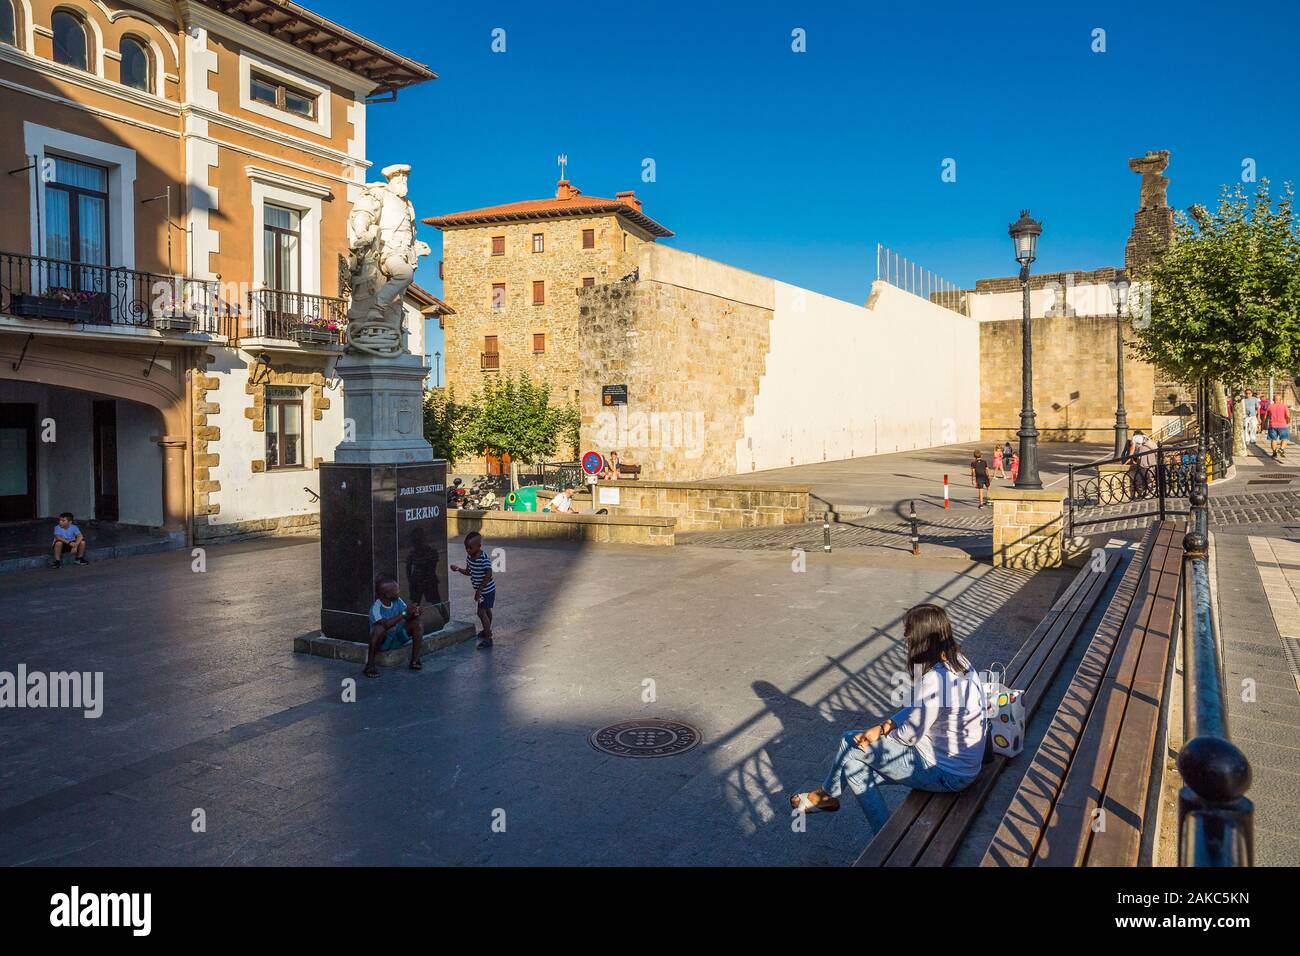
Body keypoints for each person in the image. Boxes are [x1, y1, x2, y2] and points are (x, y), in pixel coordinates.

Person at [788, 604, 987, 830]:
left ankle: (824, 796)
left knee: (850, 742)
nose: (905, 638)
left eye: (908, 632)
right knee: (852, 764)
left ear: (921, 636)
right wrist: (883, 727)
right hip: (963, 764)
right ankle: (883, 839)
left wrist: (879, 738)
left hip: (948, 773)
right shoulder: (958, 660)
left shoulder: (936, 678)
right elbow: (917, 710)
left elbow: (908, 736)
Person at [364, 572, 423, 677]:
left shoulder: (397, 600)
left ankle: (415, 659)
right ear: (387, 595)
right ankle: (370, 665)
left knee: (417, 623)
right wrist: (405, 613)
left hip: (397, 636)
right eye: (396, 590)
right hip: (384, 642)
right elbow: (385, 625)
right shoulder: (376, 608)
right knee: (378, 629)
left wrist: (415, 612)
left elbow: (407, 614)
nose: (399, 592)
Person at [451, 530, 496, 648]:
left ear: (479, 546)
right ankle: (487, 631)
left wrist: (479, 590)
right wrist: (458, 569)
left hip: (487, 590)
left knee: (481, 613)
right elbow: (469, 572)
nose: (468, 550)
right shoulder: (469, 558)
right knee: (486, 611)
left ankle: (488, 638)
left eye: (470, 548)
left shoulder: (483, 558)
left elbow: (489, 574)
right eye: (466, 547)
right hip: (482, 590)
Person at [1267, 392, 1291, 460]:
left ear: (1273, 399)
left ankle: (1274, 453)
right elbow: (1288, 416)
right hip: (1283, 425)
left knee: (1273, 440)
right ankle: (1281, 448)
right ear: (1280, 400)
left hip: (1272, 426)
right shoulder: (1284, 406)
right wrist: (1288, 422)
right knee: (1285, 438)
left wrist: (1262, 425)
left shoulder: (1270, 406)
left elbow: (1266, 417)